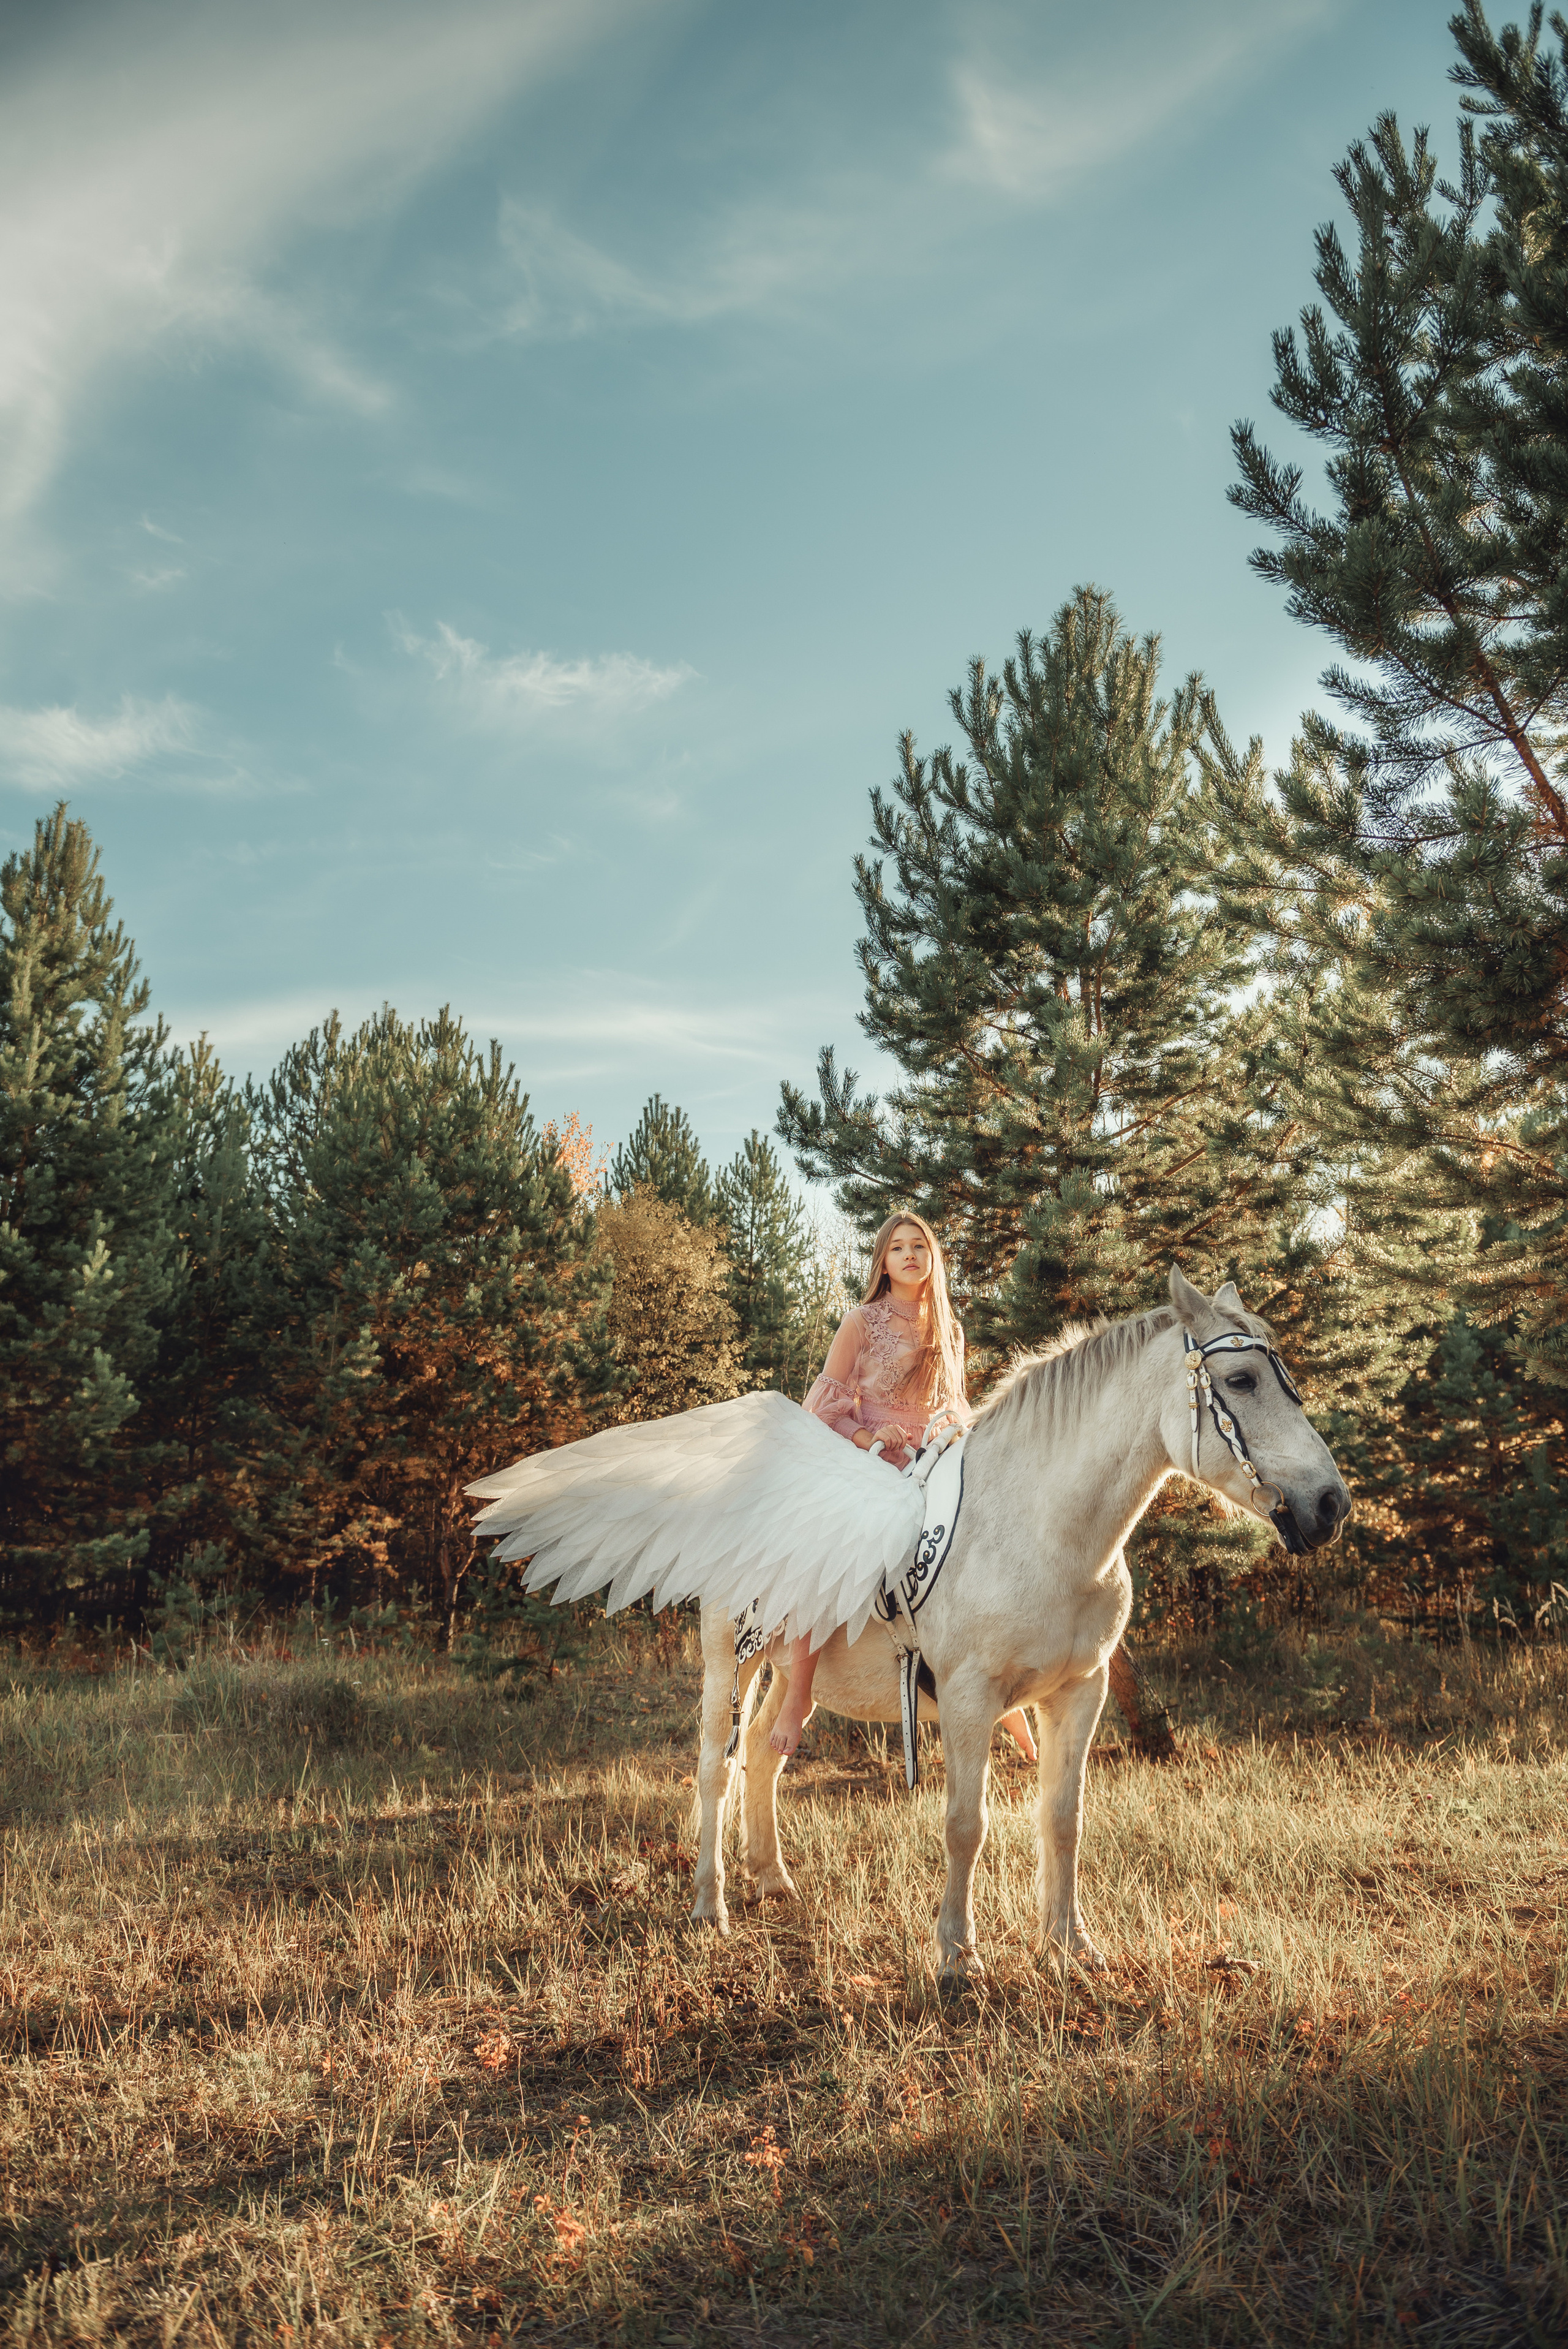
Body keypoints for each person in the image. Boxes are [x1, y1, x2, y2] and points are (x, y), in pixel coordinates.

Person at [768, 1211, 1039, 1766]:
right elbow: (822, 1408)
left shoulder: (949, 1329)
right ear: (884, 1262)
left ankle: (1001, 1691)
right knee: (831, 1554)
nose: (911, 1254)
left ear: (933, 1257)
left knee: (992, 1540)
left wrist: (950, 1430)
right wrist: (871, 1435)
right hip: (871, 1460)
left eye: (920, 1245)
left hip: (936, 1459)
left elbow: (957, 1405)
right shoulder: (861, 1322)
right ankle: (798, 1696)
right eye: (898, 1248)